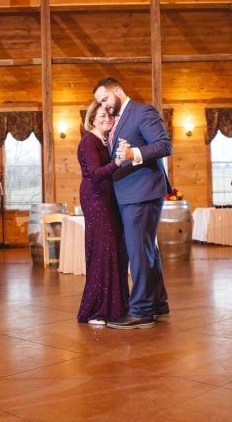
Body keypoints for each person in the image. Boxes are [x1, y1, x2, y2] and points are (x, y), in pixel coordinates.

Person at [93, 76, 172, 329]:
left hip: (142, 191)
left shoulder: (142, 111)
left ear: (117, 90)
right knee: (147, 251)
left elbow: (164, 145)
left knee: (139, 252)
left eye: (105, 99)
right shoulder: (117, 121)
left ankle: (141, 312)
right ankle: (158, 305)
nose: (104, 106)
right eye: (100, 104)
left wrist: (132, 153)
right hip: (128, 194)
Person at [76, 101, 130, 325]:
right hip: (96, 199)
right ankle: (97, 310)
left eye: (109, 115)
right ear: (92, 118)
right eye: (101, 115)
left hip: (107, 198)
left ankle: (116, 306)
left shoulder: (103, 141)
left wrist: (118, 152)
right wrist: (117, 161)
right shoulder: (89, 140)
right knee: (102, 252)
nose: (106, 118)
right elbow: (97, 174)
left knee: (113, 250)